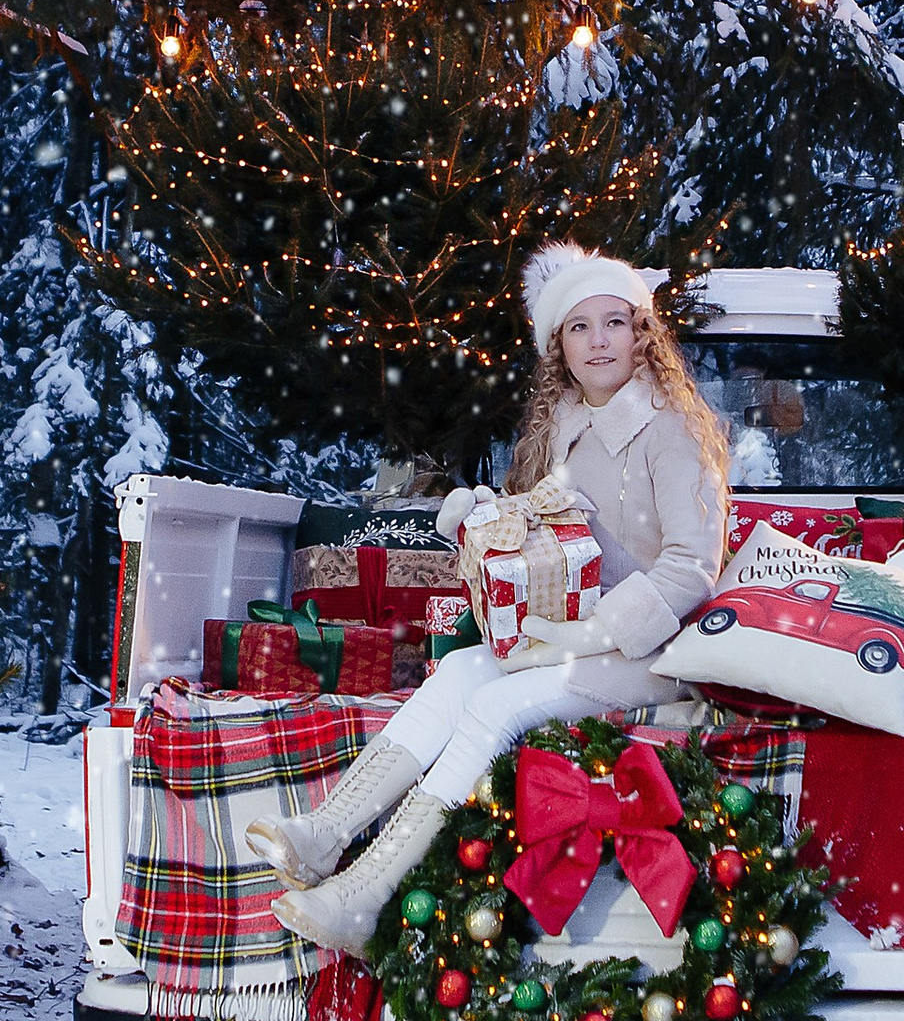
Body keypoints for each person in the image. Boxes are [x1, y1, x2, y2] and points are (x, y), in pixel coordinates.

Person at [251, 243, 732, 955]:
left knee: (496, 703)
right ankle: (327, 835)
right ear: (557, 348)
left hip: (653, 649)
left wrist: (591, 633)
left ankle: (368, 893)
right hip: (562, 632)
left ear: (643, 336)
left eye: (615, 323)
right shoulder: (560, 426)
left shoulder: (671, 430)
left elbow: (693, 569)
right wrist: (482, 514)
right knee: (459, 672)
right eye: (579, 327)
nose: (599, 341)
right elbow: (543, 529)